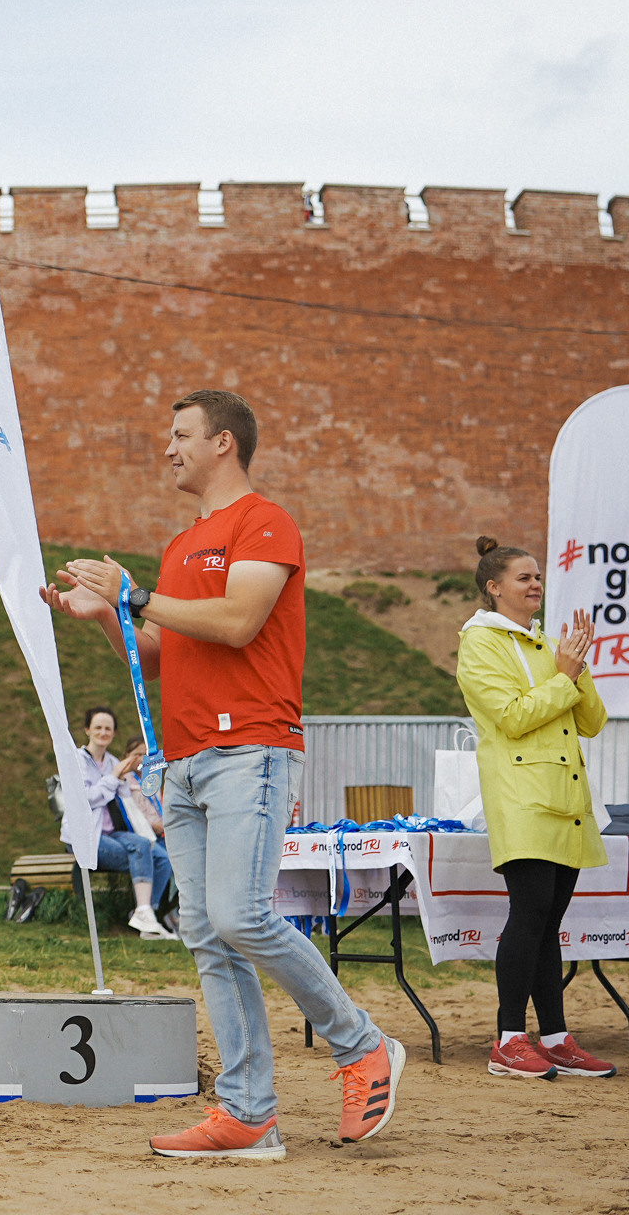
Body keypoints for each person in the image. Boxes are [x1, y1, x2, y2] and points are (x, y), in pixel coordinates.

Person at [44, 389, 405, 1160]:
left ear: (223, 444)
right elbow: (156, 656)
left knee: (241, 917)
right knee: (209, 935)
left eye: (180, 434)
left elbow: (240, 622)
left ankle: (362, 1044)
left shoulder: (265, 522)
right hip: (183, 761)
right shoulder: (182, 544)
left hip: (251, 749)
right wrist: (105, 614)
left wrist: (138, 595)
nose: (167, 448)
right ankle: (249, 1115)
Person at [455, 537, 616, 1081]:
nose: (536, 584)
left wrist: (576, 667)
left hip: (566, 797)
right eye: (524, 577)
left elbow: (592, 722)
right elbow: (513, 716)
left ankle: (555, 1038)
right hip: (520, 796)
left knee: (550, 922)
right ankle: (508, 1039)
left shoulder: (549, 643)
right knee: (528, 913)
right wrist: (564, 675)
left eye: (538, 576)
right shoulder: (480, 642)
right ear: (494, 587)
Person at [78, 705, 176, 939]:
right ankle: (144, 913)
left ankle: (147, 913)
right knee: (142, 852)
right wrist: (114, 778)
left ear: (113, 733)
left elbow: (124, 798)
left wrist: (124, 779)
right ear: (87, 730)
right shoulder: (78, 760)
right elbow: (86, 799)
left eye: (108, 728)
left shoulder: (113, 761)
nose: (103, 732)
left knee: (159, 856)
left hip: (113, 832)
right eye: (98, 727)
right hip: (88, 834)